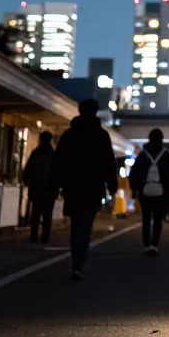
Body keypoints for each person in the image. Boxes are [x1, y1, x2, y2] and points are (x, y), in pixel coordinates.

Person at [52, 99, 118, 280]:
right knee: (86, 225)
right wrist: (112, 185)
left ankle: (76, 262)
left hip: (72, 186)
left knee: (75, 225)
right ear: (96, 112)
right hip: (93, 186)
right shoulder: (101, 136)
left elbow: (58, 161)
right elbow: (108, 163)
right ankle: (80, 262)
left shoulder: (69, 135)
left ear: (79, 111)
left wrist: (56, 184)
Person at [129, 128, 169, 255]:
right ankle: (154, 245)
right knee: (158, 218)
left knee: (146, 218)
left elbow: (135, 173)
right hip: (161, 192)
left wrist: (134, 189)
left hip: (144, 190)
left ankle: (146, 244)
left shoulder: (143, 154)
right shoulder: (166, 155)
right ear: (161, 139)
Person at [23, 130, 57, 245]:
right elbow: (59, 173)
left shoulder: (36, 153)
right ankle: (45, 238)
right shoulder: (54, 155)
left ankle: (33, 237)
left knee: (35, 214)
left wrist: (26, 181)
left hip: (36, 189)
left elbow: (27, 170)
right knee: (47, 216)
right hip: (50, 191)